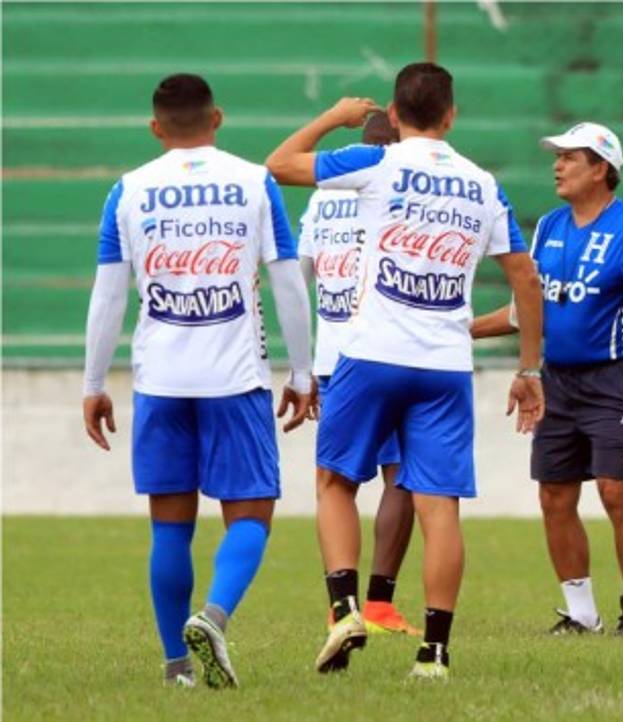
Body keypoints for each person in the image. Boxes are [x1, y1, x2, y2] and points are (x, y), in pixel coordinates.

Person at [266, 62, 544, 679]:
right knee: (438, 505)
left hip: (370, 354)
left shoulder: (376, 163)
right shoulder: (483, 183)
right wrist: (531, 369)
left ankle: (344, 611)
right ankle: (435, 652)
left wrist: (336, 118)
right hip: (445, 363)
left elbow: (279, 165)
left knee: (335, 482)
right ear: (451, 116)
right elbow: (525, 277)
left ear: (393, 115)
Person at [82, 73, 314, 688]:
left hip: (160, 378)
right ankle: (212, 616)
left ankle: (177, 667)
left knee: (170, 524)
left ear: (156, 128)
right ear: (217, 119)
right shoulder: (253, 181)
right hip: (233, 377)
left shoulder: (128, 191)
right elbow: (288, 280)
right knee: (251, 514)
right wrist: (303, 370)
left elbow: (108, 296)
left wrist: (93, 383)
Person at [471, 122, 623, 636]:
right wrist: (460, 329)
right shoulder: (550, 226)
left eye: (570, 157)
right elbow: (529, 308)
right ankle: (580, 613)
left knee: (616, 491)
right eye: (558, 156)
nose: (557, 164)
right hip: (556, 379)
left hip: (614, 377)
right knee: (554, 494)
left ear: (601, 169)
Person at [298, 111, 420, 636]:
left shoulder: (321, 198)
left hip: (332, 358)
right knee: (403, 479)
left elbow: (302, 276)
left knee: (333, 481)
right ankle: (378, 602)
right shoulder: (399, 189)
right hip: (387, 349)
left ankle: (339, 603)